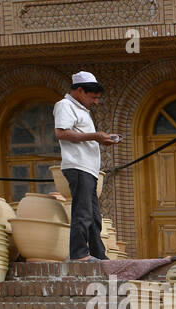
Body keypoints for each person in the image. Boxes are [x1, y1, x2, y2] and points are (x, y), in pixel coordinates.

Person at [54, 71, 117, 261]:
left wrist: (101, 139)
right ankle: (79, 254)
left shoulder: (81, 109)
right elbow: (61, 133)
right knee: (82, 212)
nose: (95, 102)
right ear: (79, 90)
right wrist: (96, 136)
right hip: (78, 166)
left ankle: (98, 254)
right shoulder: (65, 105)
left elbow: (79, 136)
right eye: (93, 97)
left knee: (93, 216)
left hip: (88, 169)